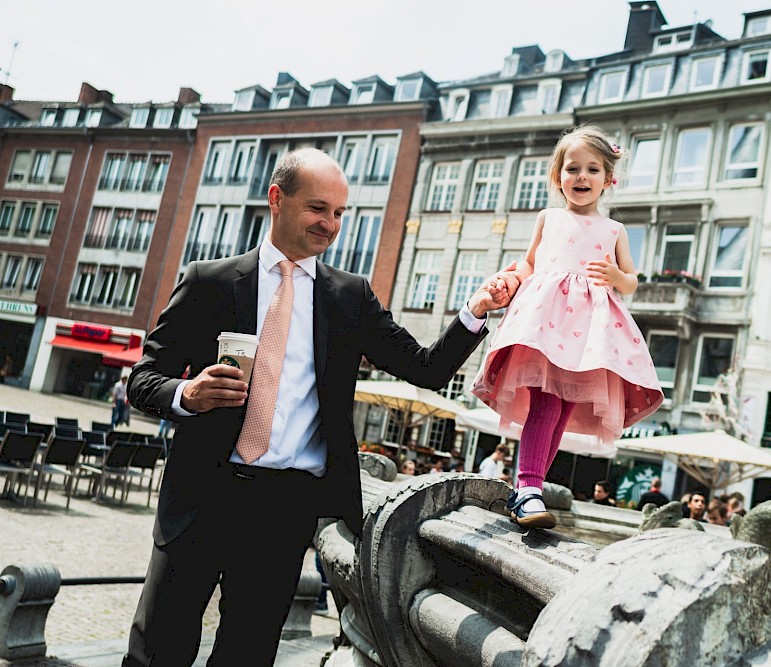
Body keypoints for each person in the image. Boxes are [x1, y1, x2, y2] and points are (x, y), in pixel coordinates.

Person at [121, 148, 517, 667]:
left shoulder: (348, 297)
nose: (329, 224)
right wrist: (187, 395)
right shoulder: (209, 282)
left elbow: (426, 369)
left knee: (246, 653)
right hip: (201, 493)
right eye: (317, 209)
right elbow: (143, 380)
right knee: (159, 649)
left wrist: (476, 311)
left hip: (284, 507)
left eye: (338, 213)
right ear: (277, 199)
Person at [472, 124, 664, 529]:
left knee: (562, 408)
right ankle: (527, 488)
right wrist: (510, 279)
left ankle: (532, 487)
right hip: (546, 320)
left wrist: (615, 275)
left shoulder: (613, 230)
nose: (582, 177)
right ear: (557, 177)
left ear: (608, 179)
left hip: (589, 330)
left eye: (593, 170)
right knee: (546, 400)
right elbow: (528, 262)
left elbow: (631, 281)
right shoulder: (549, 218)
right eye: (572, 168)